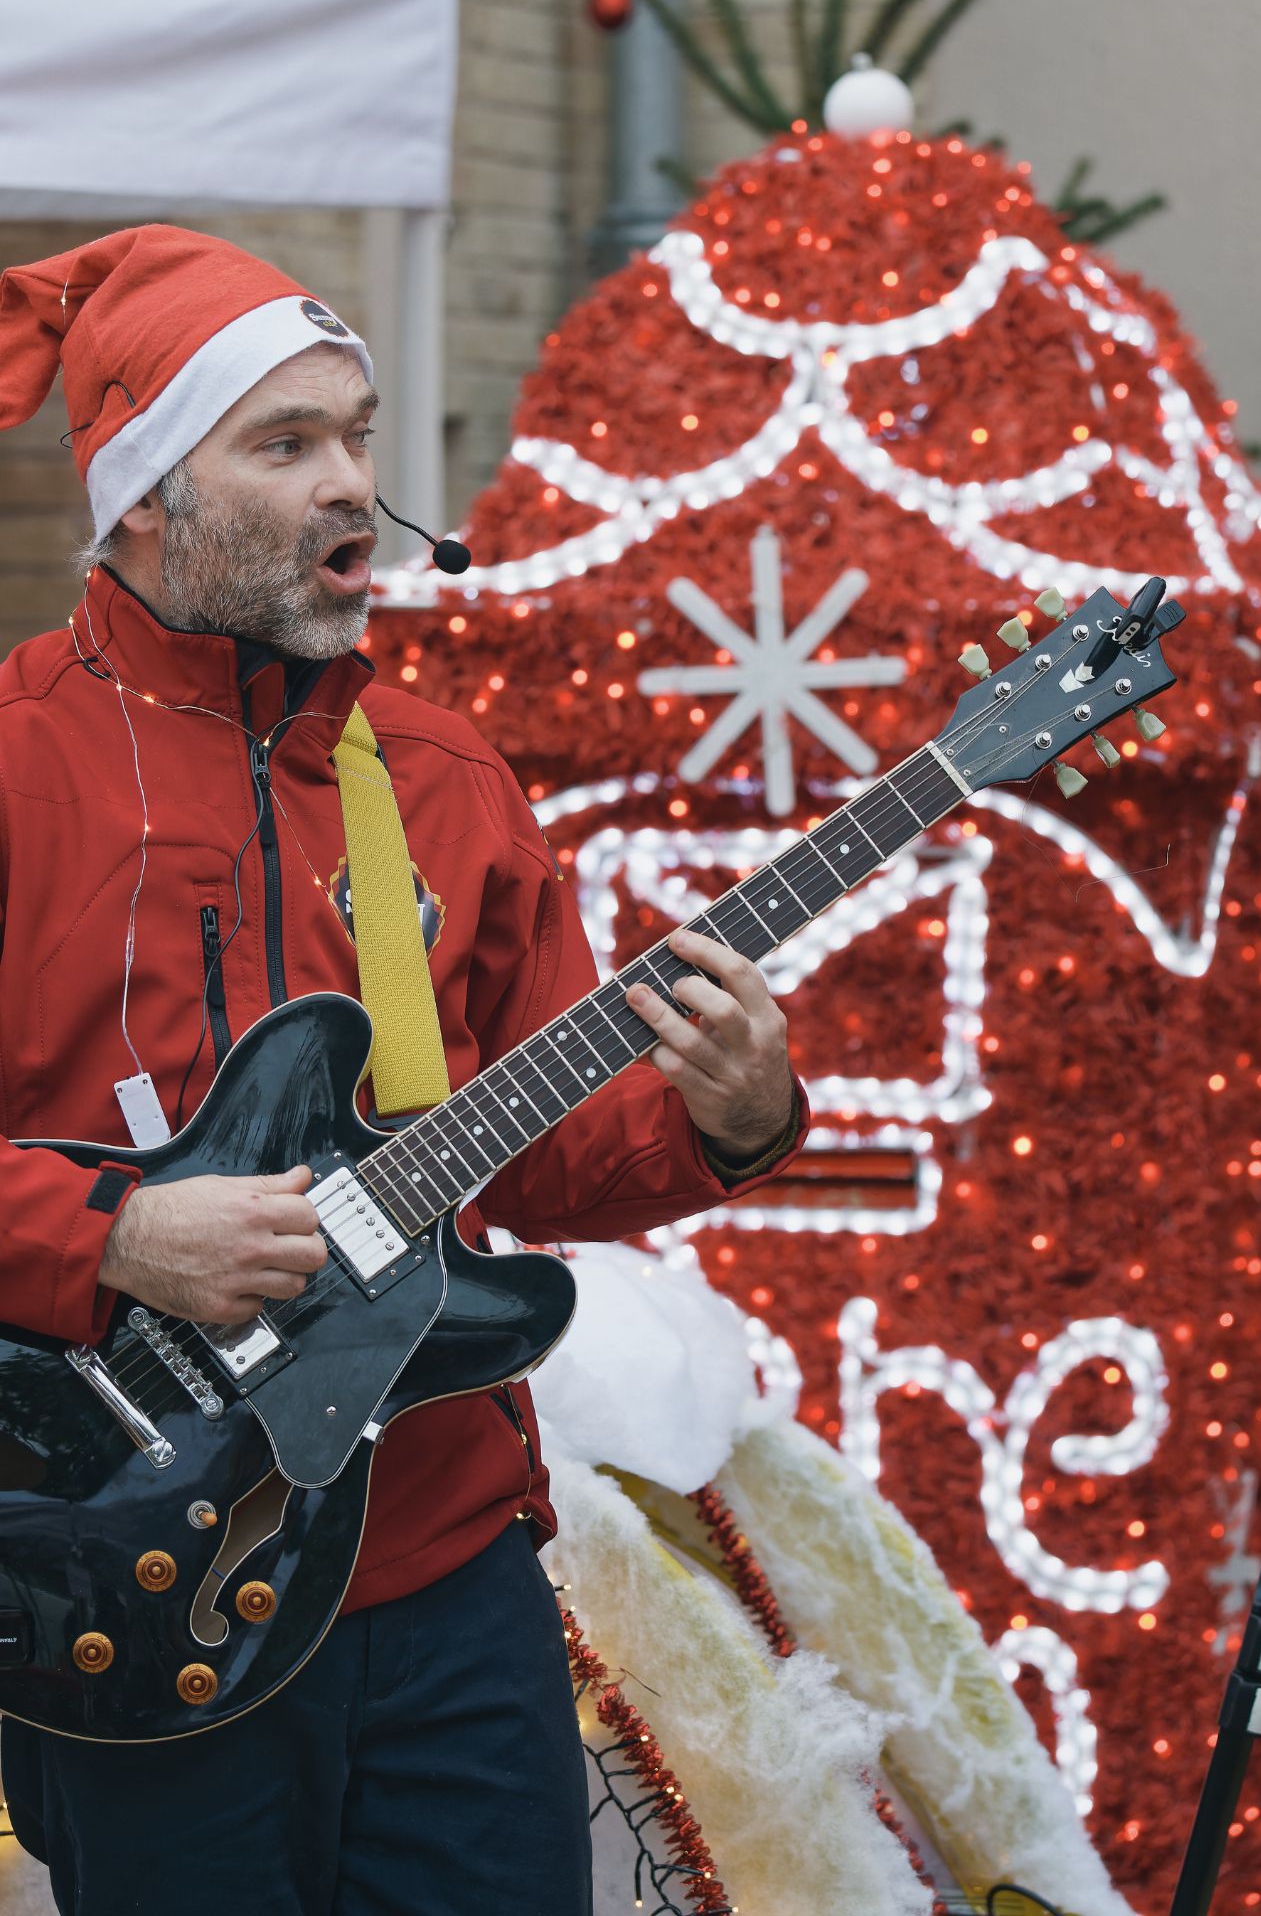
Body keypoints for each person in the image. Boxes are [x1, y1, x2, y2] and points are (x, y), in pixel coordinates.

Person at [0, 227, 806, 1915]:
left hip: (444, 1578)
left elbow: (547, 1150)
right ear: (146, 495)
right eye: (284, 445)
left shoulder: (437, 779)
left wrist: (725, 1121)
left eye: (360, 435)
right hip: (112, 1578)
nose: (350, 484)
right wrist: (112, 1241)